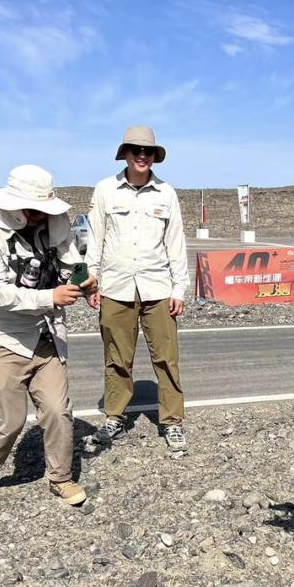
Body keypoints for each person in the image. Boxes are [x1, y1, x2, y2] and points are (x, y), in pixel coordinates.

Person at [0, 165, 97, 510]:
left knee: (57, 410)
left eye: (42, 210)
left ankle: (61, 478)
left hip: (47, 334)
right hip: (5, 336)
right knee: (8, 420)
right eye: (32, 209)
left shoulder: (54, 227)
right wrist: (49, 298)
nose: (38, 217)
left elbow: (71, 265)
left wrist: (85, 280)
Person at [86, 126, 189, 451]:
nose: (141, 156)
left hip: (158, 289)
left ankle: (172, 422)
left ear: (154, 157)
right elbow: (94, 239)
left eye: (147, 152)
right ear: (126, 154)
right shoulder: (105, 190)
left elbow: (176, 244)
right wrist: (90, 281)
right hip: (115, 288)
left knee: (166, 359)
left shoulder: (166, 193)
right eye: (135, 150)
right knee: (117, 357)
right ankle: (115, 417)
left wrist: (179, 288)